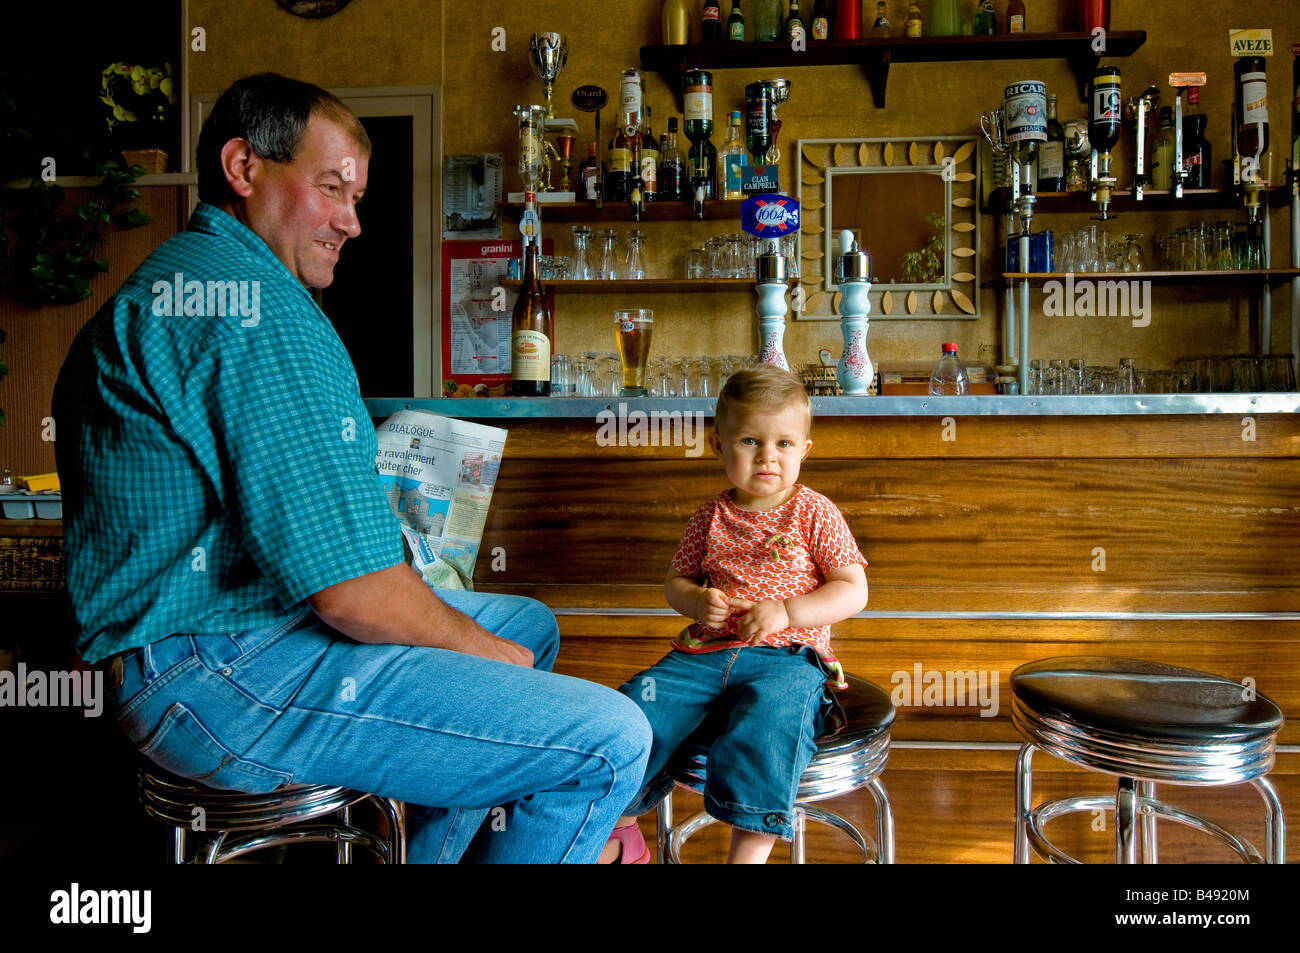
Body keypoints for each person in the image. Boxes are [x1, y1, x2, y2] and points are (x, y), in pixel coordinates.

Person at [52, 72, 650, 863]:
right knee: (611, 738)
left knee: (526, 626)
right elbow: (352, 594)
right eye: (333, 189)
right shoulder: (256, 310)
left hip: (176, 656)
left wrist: (472, 629)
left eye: (357, 197)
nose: (354, 223)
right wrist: (478, 650)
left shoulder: (183, 278)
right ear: (243, 168)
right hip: (219, 676)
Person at [600, 365, 868, 864]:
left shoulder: (815, 512)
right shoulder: (710, 515)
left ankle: (747, 853)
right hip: (703, 654)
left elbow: (853, 591)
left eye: (784, 444)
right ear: (718, 446)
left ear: (804, 451)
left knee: (768, 727)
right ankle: (623, 822)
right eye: (749, 440)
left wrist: (787, 612)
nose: (768, 456)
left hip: (788, 658)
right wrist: (696, 600)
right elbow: (675, 584)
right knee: (638, 707)